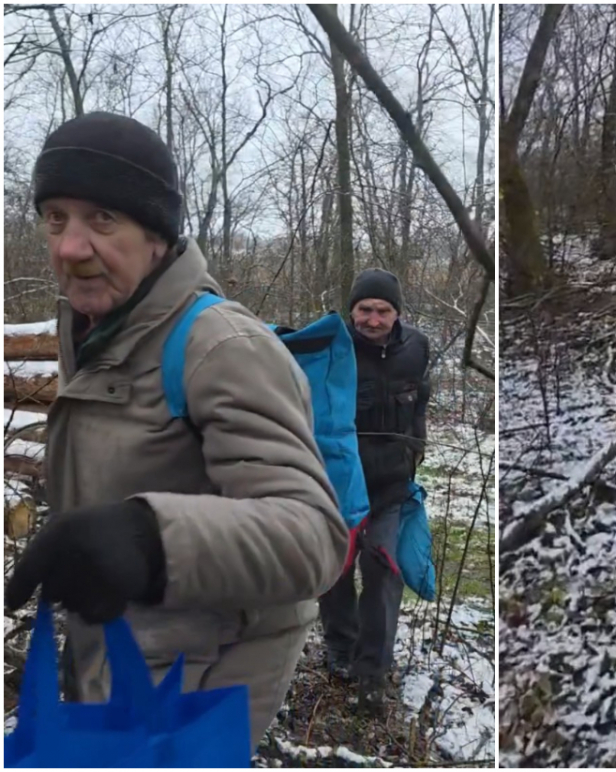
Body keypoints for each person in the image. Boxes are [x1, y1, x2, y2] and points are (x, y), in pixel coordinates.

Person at [4, 112, 348, 753]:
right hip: (115, 669)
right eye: (55, 218)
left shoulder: (219, 346)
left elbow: (315, 538)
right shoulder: (95, 332)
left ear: (157, 236)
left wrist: (149, 539)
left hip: (196, 689)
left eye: (102, 219)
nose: (70, 246)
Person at [318, 267, 431, 713]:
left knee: (385, 572)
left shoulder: (417, 348)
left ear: (396, 313)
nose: (373, 319)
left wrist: (415, 447)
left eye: (382, 310)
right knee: (335, 571)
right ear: (352, 311)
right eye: (364, 309)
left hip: (391, 486)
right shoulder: (333, 346)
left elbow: (421, 397)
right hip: (339, 484)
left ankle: (372, 674)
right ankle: (340, 653)